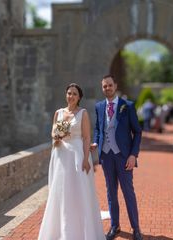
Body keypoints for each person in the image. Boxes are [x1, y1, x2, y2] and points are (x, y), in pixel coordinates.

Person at [38, 83, 105, 240]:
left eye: (74, 94)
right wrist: (56, 136)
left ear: (79, 97)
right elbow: (54, 134)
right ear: (66, 95)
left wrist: (86, 158)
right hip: (60, 155)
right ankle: (59, 232)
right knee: (61, 191)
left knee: (80, 191)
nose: (71, 96)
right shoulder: (59, 113)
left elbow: (87, 136)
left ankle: (81, 233)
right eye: (69, 93)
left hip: (78, 155)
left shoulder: (83, 113)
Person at [91, 75, 143, 240]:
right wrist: (96, 144)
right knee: (110, 192)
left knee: (128, 192)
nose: (107, 88)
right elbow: (98, 129)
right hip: (106, 156)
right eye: (104, 86)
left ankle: (136, 229)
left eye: (110, 85)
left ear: (115, 85)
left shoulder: (127, 106)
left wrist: (133, 155)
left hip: (123, 157)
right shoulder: (99, 106)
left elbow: (138, 132)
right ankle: (115, 226)